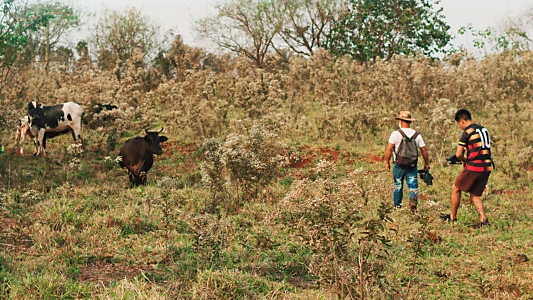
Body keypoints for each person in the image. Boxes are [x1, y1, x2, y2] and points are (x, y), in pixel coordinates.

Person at [441, 109, 492, 228]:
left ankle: (452, 217)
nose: (459, 126)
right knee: (474, 194)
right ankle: (483, 219)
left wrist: (463, 160)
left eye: (459, 123)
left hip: (474, 166)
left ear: (462, 121)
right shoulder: (483, 129)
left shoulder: (466, 132)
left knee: (456, 188)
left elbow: (458, 154)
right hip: (487, 166)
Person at [385, 111, 430, 212]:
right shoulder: (417, 135)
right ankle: (413, 203)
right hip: (412, 165)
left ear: (401, 121)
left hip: (398, 164)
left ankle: (397, 206)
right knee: (413, 185)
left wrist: (387, 162)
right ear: (410, 122)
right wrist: (426, 163)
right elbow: (424, 150)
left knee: (398, 186)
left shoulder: (395, 134)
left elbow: (389, 149)